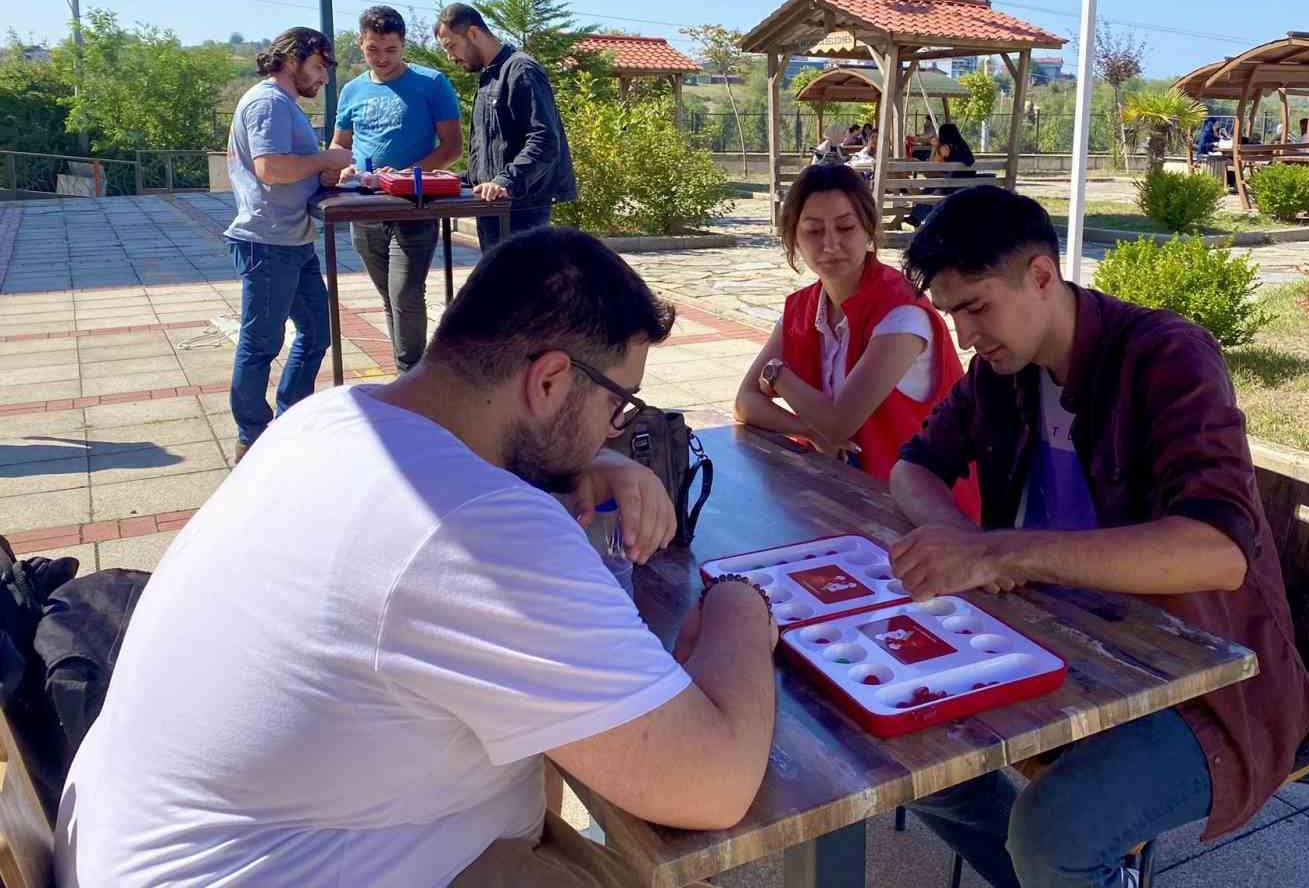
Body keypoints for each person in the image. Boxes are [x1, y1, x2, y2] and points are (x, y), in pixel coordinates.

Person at [56, 228, 778, 888]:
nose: (613, 431)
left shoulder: (326, 421)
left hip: (158, 850)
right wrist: (741, 604)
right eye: (618, 407)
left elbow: (414, 574)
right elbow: (713, 784)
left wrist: (583, 469)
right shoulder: (478, 531)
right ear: (551, 380)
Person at [889, 186, 1309, 888]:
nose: (966, 336)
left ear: (1039, 276)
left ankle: (1064, 872)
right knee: (916, 757)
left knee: (1049, 831)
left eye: (975, 308)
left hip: (1207, 684)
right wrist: (963, 541)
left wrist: (1000, 551)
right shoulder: (1002, 372)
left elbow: (1217, 554)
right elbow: (913, 468)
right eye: (952, 315)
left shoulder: (1166, 357)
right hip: (1064, 641)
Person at [734, 164, 975, 516]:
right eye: (814, 231)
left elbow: (838, 423)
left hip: (927, 516)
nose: (830, 245)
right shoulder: (802, 308)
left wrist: (777, 375)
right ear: (794, 238)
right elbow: (744, 404)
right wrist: (806, 429)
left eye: (845, 227)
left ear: (868, 230)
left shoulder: (902, 313)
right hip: (847, 501)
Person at [221, 27, 351, 463]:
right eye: (318, 67)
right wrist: (327, 160)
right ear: (293, 59)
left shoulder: (284, 105)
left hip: (292, 240)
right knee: (261, 343)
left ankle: (291, 419)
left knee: (316, 331)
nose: (324, 79)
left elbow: (288, 169)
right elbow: (271, 169)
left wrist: (324, 174)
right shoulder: (268, 103)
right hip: (267, 242)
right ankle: (252, 440)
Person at [332, 5, 463, 372]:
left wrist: (402, 176)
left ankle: (410, 377)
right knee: (390, 299)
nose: (382, 58)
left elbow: (451, 148)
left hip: (413, 205)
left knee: (406, 294)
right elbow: (339, 145)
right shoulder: (352, 91)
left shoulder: (431, 83)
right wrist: (338, 169)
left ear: (403, 44)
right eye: (373, 49)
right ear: (361, 43)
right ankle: (407, 373)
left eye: (391, 50)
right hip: (365, 208)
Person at [434, 3, 577, 250]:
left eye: (451, 46)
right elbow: (494, 149)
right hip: (492, 205)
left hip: (522, 209)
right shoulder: (489, 76)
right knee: (498, 286)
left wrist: (504, 182)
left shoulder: (521, 69)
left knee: (522, 287)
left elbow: (544, 141)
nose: (450, 57)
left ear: (473, 34)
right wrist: (460, 179)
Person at [909, 121, 977, 228]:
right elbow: (934, 165)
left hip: (956, 185)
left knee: (934, 191)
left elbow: (968, 161)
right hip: (955, 182)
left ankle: (917, 218)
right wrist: (935, 148)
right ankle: (916, 218)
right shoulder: (957, 146)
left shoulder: (955, 148)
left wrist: (946, 152)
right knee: (930, 189)